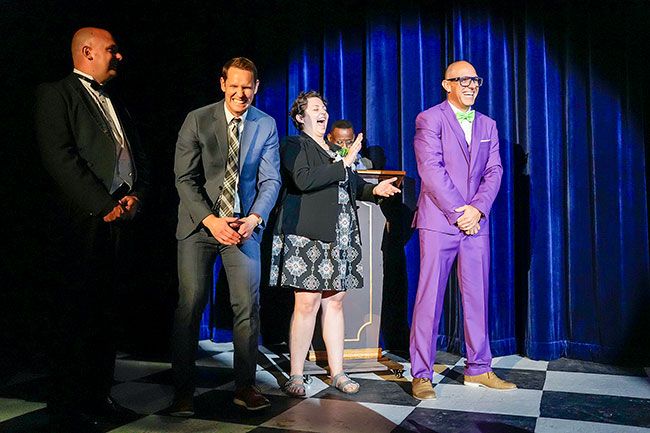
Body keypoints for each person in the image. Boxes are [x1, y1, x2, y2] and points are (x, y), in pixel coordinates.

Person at [34, 27, 149, 432]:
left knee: (106, 313)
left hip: (119, 220)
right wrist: (103, 205)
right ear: (87, 52)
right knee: (75, 314)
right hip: (81, 224)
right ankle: (67, 404)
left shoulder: (116, 100)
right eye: (112, 51)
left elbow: (135, 153)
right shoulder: (57, 94)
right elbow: (60, 158)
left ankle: (98, 395)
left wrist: (135, 194)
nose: (119, 57)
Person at [271, 91, 400, 397]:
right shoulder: (294, 145)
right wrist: (345, 162)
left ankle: (337, 371)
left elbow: (352, 183)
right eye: (315, 109)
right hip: (308, 235)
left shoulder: (334, 151)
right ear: (301, 117)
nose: (323, 112)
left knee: (335, 301)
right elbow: (303, 180)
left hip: (342, 235)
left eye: (324, 109)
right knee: (306, 303)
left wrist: (374, 190)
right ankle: (297, 375)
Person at [171, 57, 281, 414]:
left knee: (247, 307)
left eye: (247, 86)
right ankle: (183, 391)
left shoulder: (265, 124)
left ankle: (245, 387)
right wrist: (210, 220)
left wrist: (254, 217)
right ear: (222, 84)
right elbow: (184, 179)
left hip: (243, 226)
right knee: (190, 304)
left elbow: (271, 180)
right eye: (234, 86)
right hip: (199, 225)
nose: (240, 93)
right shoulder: (198, 119)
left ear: (257, 87)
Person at [409, 60, 516, 400]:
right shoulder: (430, 119)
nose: (471, 86)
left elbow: (495, 171)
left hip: (476, 223)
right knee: (430, 299)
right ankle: (421, 373)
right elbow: (431, 171)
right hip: (441, 222)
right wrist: (461, 212)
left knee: (477, 297)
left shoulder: (488, 124)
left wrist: (478, 209)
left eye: (475, 80)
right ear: (446, 84)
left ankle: (479, 368)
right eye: (463, 80)